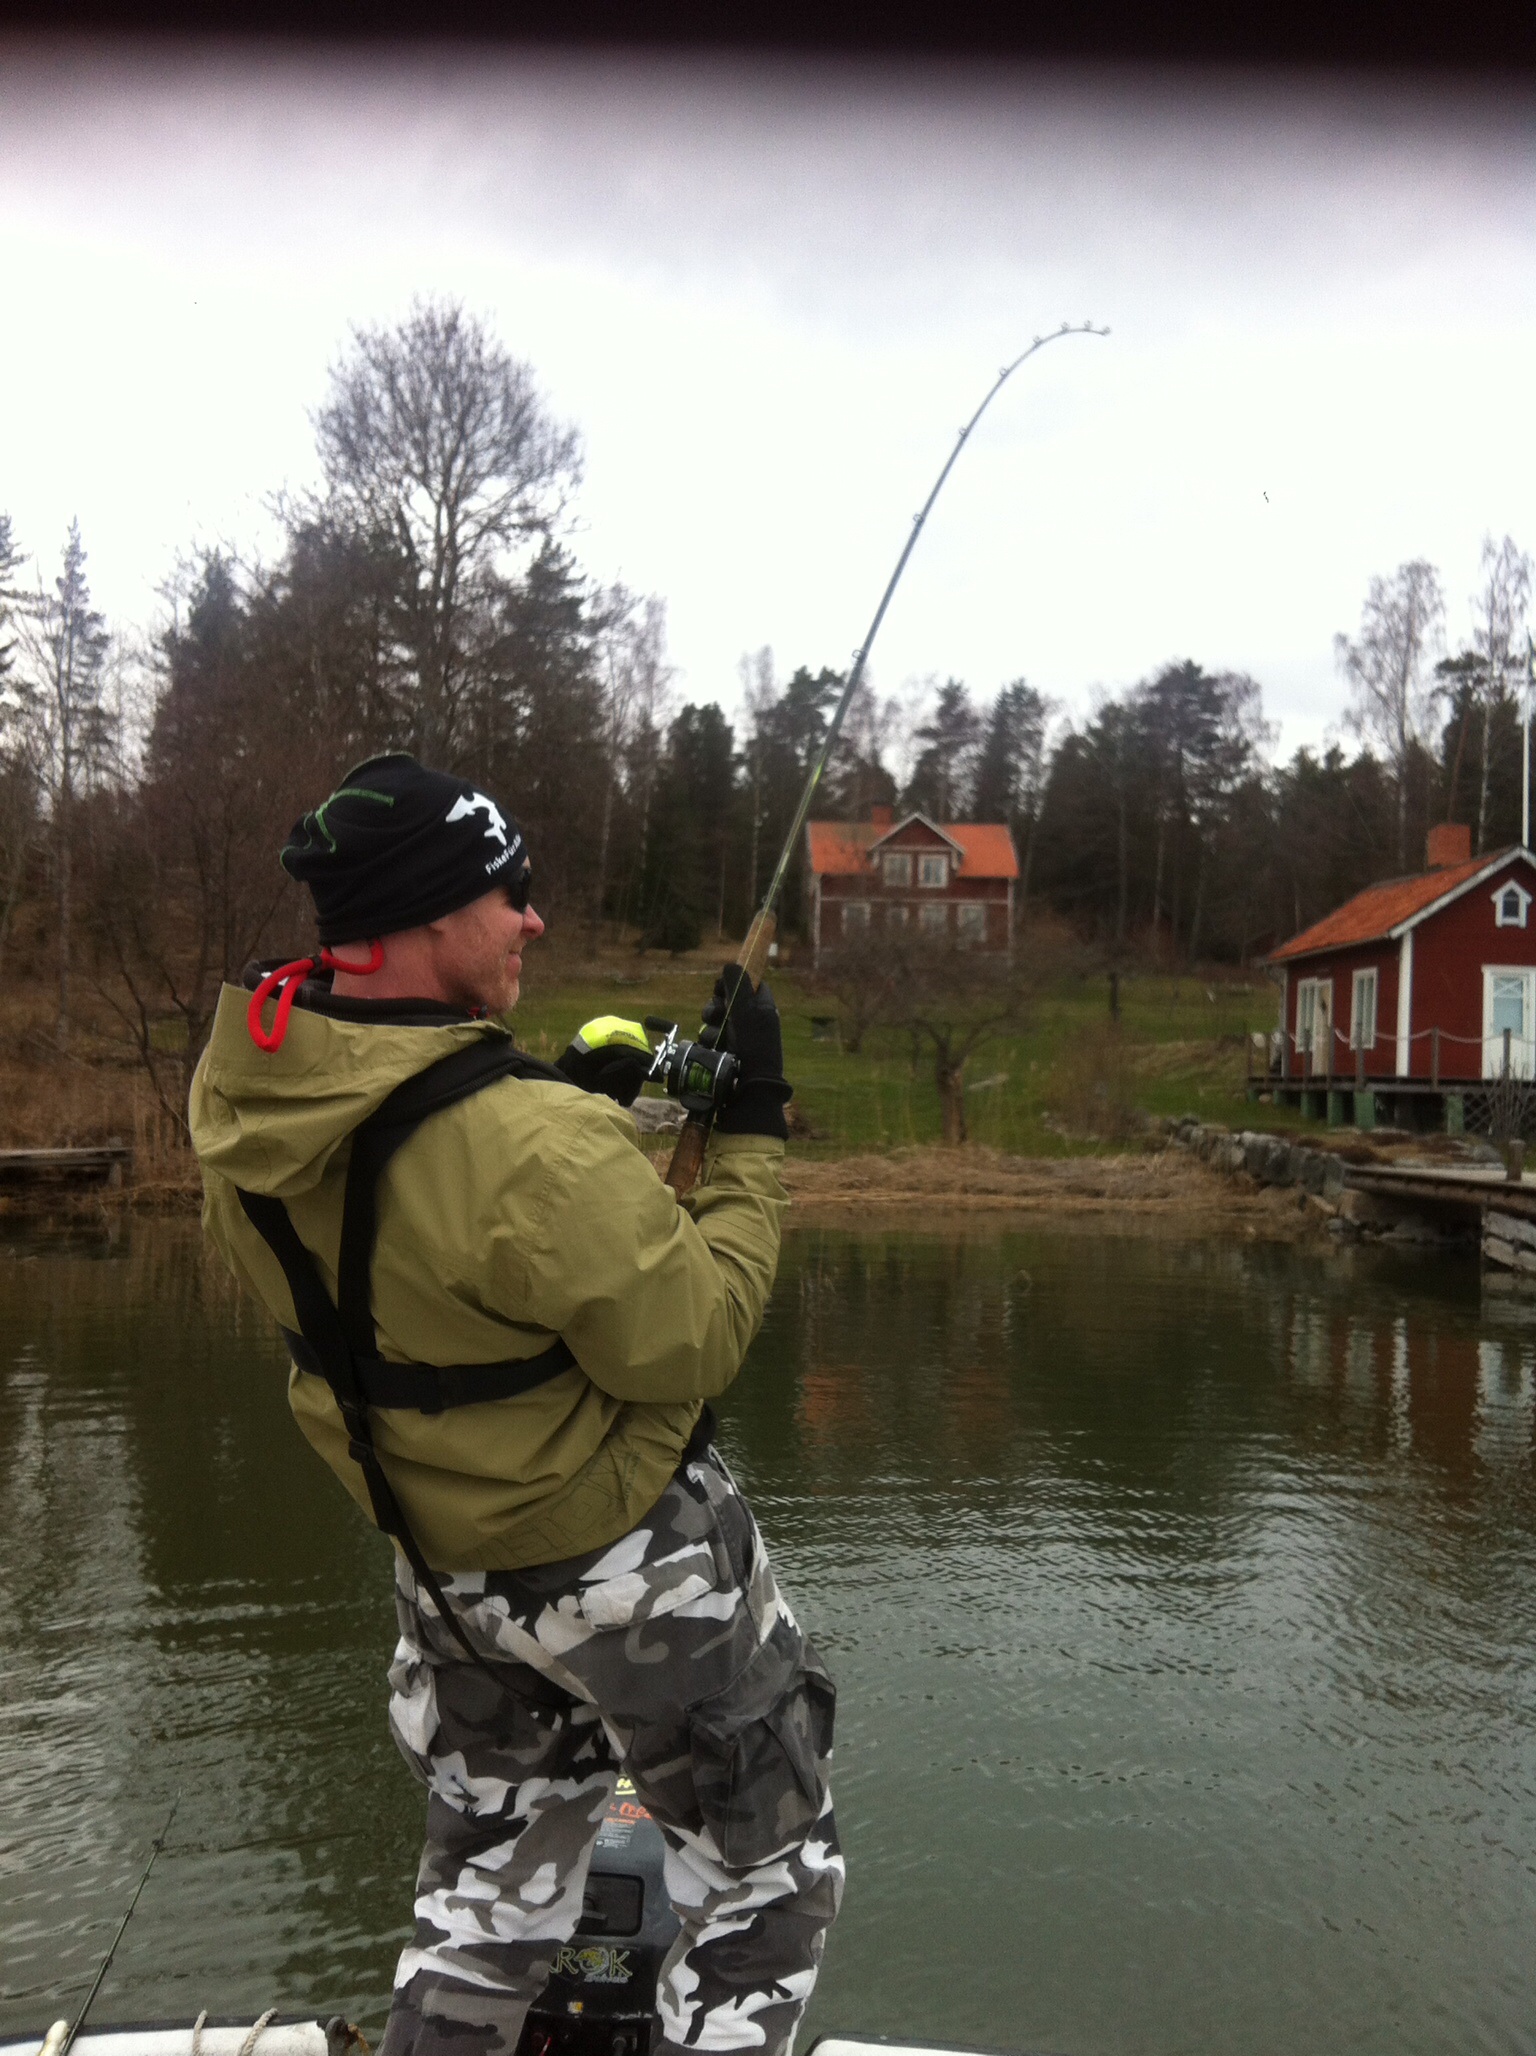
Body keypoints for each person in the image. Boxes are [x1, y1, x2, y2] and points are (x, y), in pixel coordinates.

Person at [189, 753, 842, 2056]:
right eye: (510, 894)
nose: (533, 919)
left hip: (445, 1576)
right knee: (764, 1879)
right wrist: (753, 1124)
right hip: (626, 1569)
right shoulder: (531, 1142)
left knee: (487, 1893)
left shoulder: (246, 1099)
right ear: (432, 919)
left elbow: (435, 1231)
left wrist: (555, 1104)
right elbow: (698, 1333)